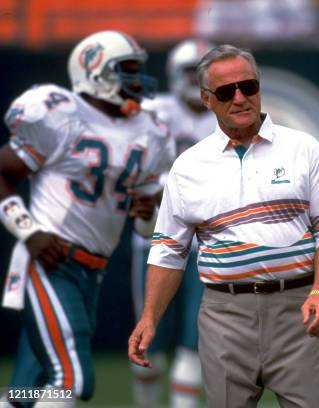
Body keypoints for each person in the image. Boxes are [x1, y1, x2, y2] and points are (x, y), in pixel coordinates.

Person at [128, 44, 319, 408]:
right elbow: (169, 250)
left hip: (296, 308)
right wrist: (150, 318)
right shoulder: (188, 167)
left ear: (259, 87)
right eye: (225, 91)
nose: (239, 97)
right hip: (224, 314)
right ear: (206, 99)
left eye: (248, 86)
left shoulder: (303, 148)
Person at [0, 30, 173, 407]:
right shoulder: (61, 113)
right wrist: (28, 232)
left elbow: (144, 225)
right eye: (127, 69)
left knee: (25, 389)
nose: (137, 78)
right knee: (73, 378)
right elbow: (3, 173)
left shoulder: (151, 132)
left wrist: (146, 214)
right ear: (94, 72)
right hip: (51, 260)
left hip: (92, 271)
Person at [130, 38, 216, 408]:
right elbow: (135, 175)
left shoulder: (225, 115)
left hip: (208, 244)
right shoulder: (151, 112)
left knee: (195, 342)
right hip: (156, 243)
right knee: (148, 339)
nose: (198, 80)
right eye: (191, 71)